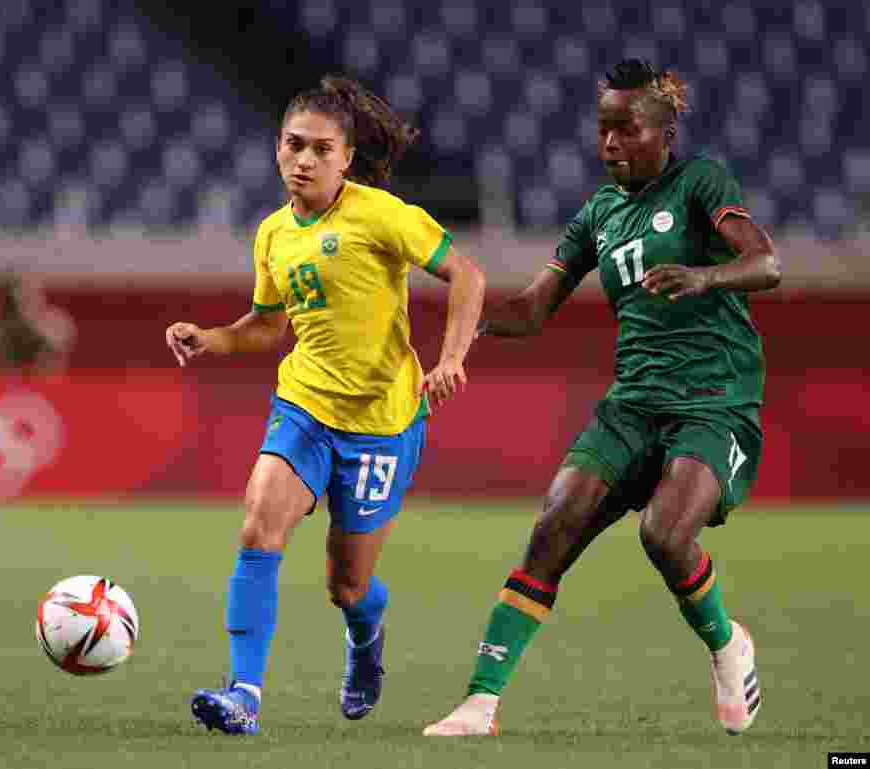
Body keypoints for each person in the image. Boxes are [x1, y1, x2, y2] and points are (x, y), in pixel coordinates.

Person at [423, 59, 781, 737]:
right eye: (602, 129)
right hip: (633, 402)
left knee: (664, 534)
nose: (610, 142)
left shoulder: (701, 182)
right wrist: (467, 326)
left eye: (626, 128)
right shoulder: (598, 213)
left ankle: (727, 643)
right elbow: (534, 308)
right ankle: (480, 702)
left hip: (715, 398)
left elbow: (767, 263)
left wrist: (704, 277)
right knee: (553, 526)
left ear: (665, 134)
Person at [166, 75, 485, 735]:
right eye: (293, 145)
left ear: (346, 158)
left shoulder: (381, 215)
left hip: (382, 424)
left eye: (320, 149)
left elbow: (468, 274)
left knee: (348, 586)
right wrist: (212, 337)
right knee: (258, 527)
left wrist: (452, 357)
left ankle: (366, 638)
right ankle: (244, 694)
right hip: (305, 407)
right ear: (277, 148)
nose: (304, 160)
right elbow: (267, 326)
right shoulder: (272, 234)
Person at [0, 268, 76, 371]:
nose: (14, 306)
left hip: (39, 386)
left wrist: (31, 327)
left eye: (21, 298)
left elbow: (58, 346)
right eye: (8, 302)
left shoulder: (54, 325)